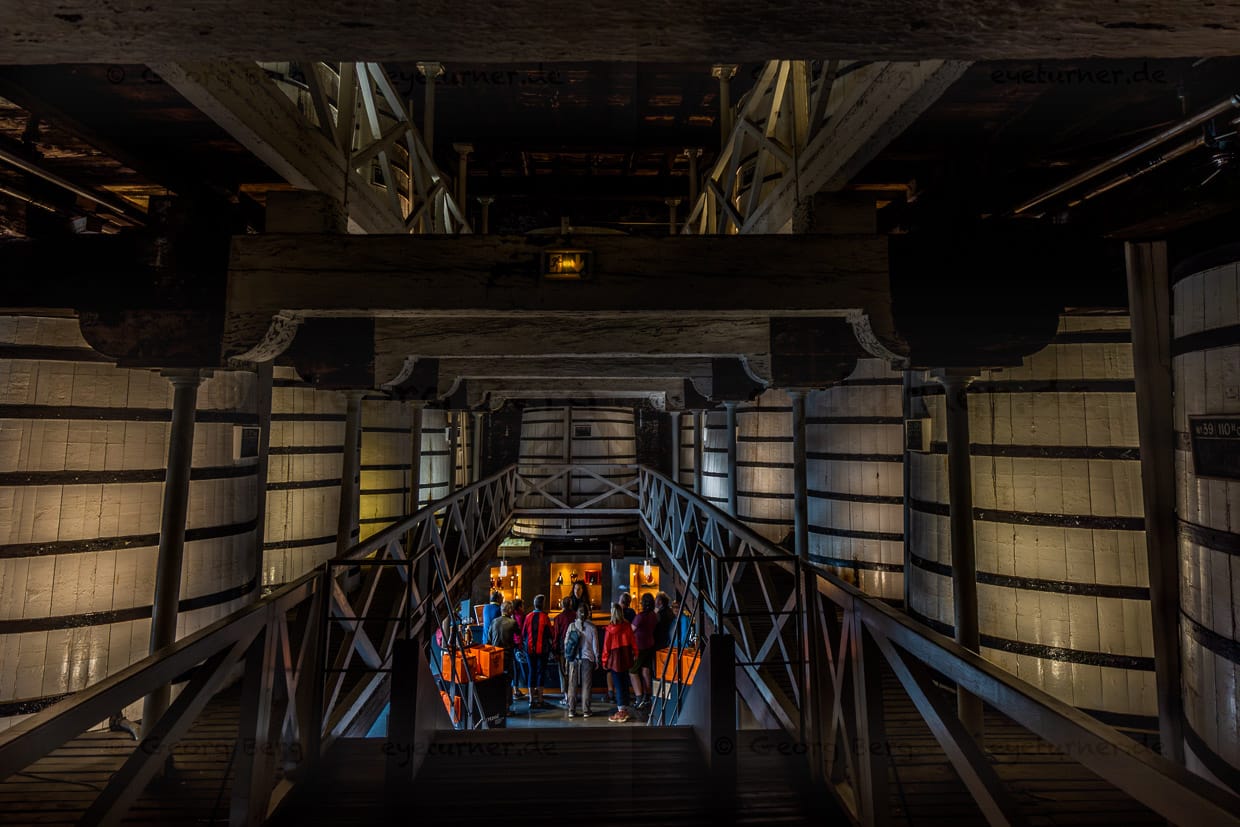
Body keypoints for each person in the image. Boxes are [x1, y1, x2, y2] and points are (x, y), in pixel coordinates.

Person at [602, 603, 638, 723]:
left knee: (617, 684)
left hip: (614, 660)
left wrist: (604, 661)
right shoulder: (627, 626)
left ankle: (621, 711)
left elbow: (606, 648)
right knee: (624, 683)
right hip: (626, 657)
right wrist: (635, 654)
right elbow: (633, 642)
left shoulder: (610, 629)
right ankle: (625, 709)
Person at [486, 601, 521, 715]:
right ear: (510, 610)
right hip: (507, 656)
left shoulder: (494, 622)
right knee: (507, 682)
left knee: (497, 682)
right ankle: (506, 708)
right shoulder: (512, 622)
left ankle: (497, 707)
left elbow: (489, 641)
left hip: (495, 656)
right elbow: (519, 635)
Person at [565, 602, 600, 718]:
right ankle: (586, 710)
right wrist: (597, 659)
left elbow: (566, 643)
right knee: (586, 686)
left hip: (574, 659)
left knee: (572, 685)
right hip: (587, 659)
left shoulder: (571, 626)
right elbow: (596, 647)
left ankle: (571, 709)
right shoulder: (592, 628)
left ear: (577, 613)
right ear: (588, 613)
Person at [522, 594, 555, 709]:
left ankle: (531, 700)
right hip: (542, 649)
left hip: (529, 649)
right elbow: (551, 633)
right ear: (543, 604)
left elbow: (523, 634)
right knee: (541, 672)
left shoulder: (528, 616)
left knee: (531, 671)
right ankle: (540, 699)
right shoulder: (545, 617)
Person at [630, 592, 658, 709]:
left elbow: (631, 630)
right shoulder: (653, 615)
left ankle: (639, 698)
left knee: (632, 671)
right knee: (646, 671)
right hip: (650, 645)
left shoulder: (640, 617)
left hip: (640, 647)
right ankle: (648, 697)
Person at [552, 595, 578, 708]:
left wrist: (555, 650)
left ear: (562, 605)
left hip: (563, 648)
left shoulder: (558, 618)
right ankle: (573, 695)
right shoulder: (576, 615)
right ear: (571, 604)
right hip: (576, 648)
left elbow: (556, 635)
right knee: (573, 672)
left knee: (563, 673)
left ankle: (567, 697)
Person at [511, 597, 528, 700]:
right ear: (519, 607)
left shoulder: (512, 615)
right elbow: (522, 630)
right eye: (522, 606)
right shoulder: (521, 616)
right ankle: (518, 690)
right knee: (520, 667)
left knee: (515, 668)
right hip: (519, 644)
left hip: (512, 644)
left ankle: (515, 689)